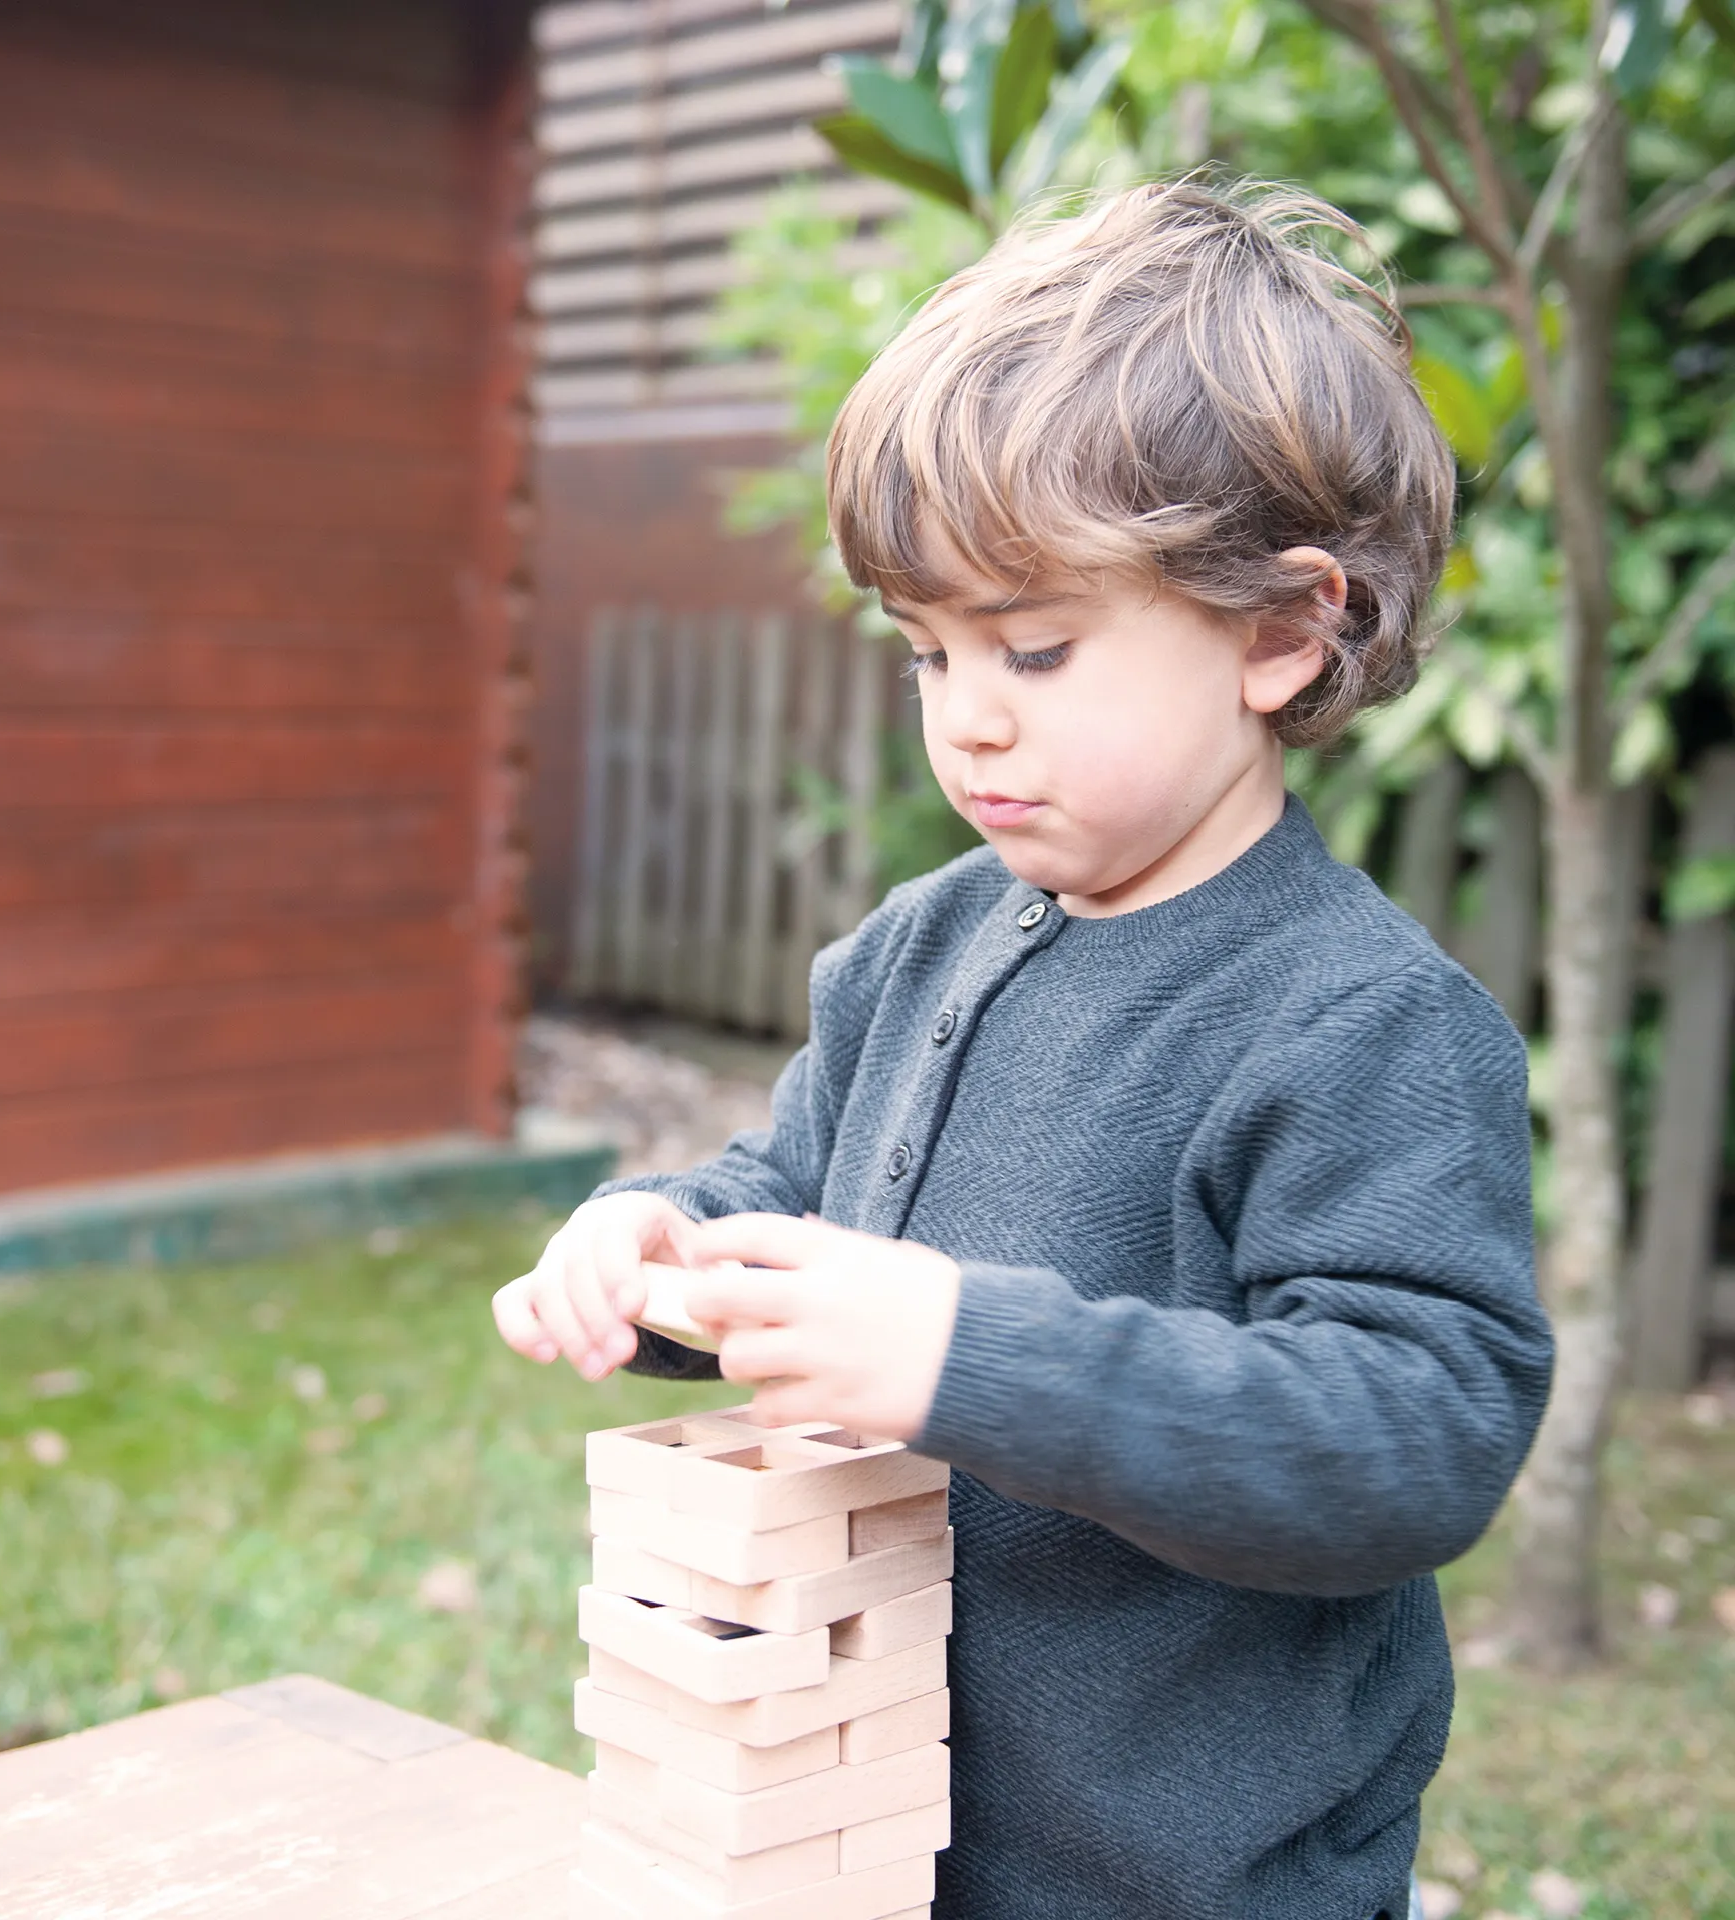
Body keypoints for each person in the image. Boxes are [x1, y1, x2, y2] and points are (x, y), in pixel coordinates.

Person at [494, 177, 1552, 1920]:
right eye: (928, 653)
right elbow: (795, 1188)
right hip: (874, 1831)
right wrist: (664, 1239)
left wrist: (968, 1355)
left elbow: (1416, 1433)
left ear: (1282, 631)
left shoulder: (1361, 1024)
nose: (968, 717)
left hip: (1185, 1877)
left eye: (1038, 647)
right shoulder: (921, 943)